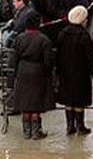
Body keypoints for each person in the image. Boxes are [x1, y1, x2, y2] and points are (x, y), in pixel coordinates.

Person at [56, 5, 93, 136]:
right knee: (80, 100)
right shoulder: (84, 36)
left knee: (68, 100)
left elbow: (58, 54)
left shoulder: (63, 34)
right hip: (81, 72)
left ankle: (70, 125)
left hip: (65, 72)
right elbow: (90, 57)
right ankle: (80, 125)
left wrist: (58, 71)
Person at [11, 12, 55, 140]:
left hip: (22, 71)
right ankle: (36, 132)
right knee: (36, 104)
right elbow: (48, 61)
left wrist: (14, 74)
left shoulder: (19, 38)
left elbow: (14, 58)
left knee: (25, 103)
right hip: (38, 72)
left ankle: (26, 132)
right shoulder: (44, 39)